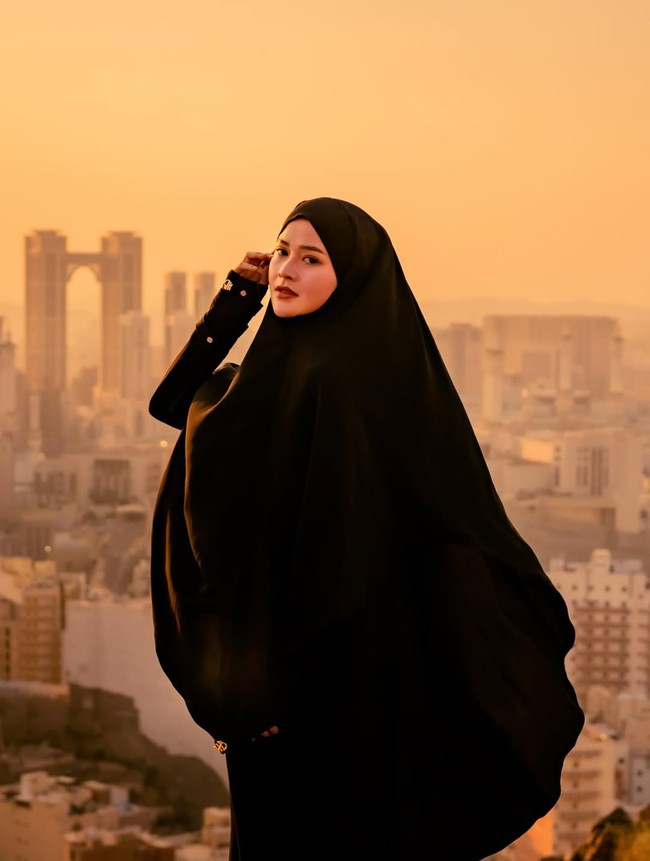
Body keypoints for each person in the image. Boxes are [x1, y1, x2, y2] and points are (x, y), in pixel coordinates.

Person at [149, 197, 584, 861]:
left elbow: (340, 553)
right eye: (283, 252)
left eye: (313, 258)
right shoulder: (261, 380)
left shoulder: (346, 393)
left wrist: (266, 695)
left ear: (351, 280)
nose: (288, 269)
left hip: (316, 696)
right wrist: (237, 296)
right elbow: (173, 405)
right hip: (262, 698)